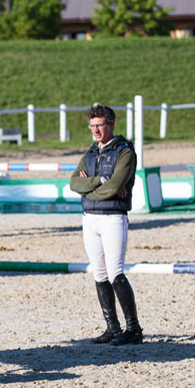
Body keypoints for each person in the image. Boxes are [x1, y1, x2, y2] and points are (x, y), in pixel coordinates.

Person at [68, 103, 143, 346]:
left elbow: (114, 187)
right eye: (92, 126)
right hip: (89, 219)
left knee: (115, 273)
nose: (96, 130)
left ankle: (134, 329)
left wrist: (90, 187)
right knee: (99, 273)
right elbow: (72, 183)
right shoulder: (89, 153)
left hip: (113, 218)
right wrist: (99, 182)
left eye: (100, 125)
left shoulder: (125, 152)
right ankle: (112, 327)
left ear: (111, 125)